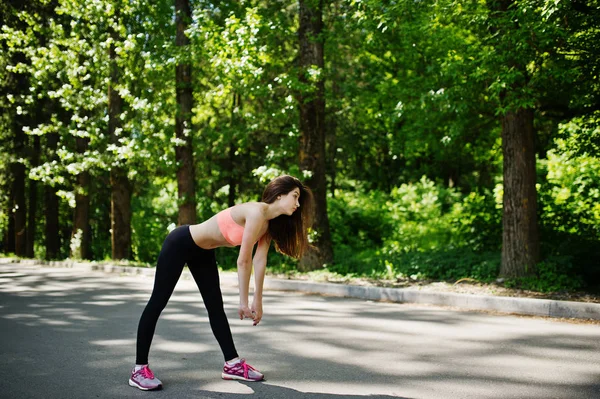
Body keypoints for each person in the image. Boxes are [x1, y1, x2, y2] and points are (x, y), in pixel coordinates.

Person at [128, 175, 314, 391]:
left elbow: (259, 261)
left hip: (203, 252)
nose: (297, 204)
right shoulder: (256, 212)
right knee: (157, 302)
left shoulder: (269, 225)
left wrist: (258, 302)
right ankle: (139, 369)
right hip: (180, 242)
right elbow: (243, 260)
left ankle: (232, 364)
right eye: (295, 196)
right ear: (280, 195)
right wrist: (243, 302)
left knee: (215, 308)